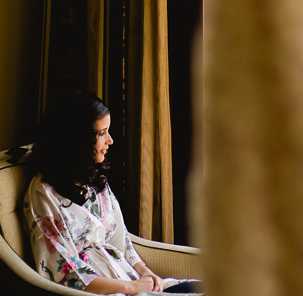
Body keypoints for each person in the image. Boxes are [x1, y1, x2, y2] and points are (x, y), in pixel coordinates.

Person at [23, 91, 202, 294]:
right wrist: (131, 287)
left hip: (132, 281)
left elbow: (121, 240)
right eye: (101, 133)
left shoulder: (94, 182)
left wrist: (145, 273)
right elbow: (64, 272)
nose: (110, 140)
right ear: (78, 139)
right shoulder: (43, 194)